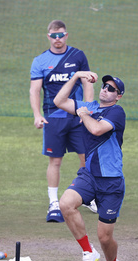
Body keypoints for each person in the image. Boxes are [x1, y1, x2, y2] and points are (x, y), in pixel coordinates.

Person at [54, 71, 126, 261]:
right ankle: (88, 252)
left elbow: (96, 129)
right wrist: (76, 76)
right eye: (104, 86)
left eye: (111, 88)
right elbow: (59, 101)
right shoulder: (90, 106)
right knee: (65, 204)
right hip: (89, 175)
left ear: (118, 96)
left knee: (105, 238)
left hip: (111, 182)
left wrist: (83, 114)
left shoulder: (117, 112)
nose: (105, 89)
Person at [30, 20, 96, 223]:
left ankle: (87, 196)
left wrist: (89, 109)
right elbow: (34, 90)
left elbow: (87, 82)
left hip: (76, 116)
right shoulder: (40, 61)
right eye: (53, 36)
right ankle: (54, 203)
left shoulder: (77, 56)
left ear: (66, 35)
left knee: (86, 157)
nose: (57, 39)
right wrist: (36, 114)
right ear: (48, 36)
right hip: (53, 118)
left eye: (61, 35)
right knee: (55, 160)